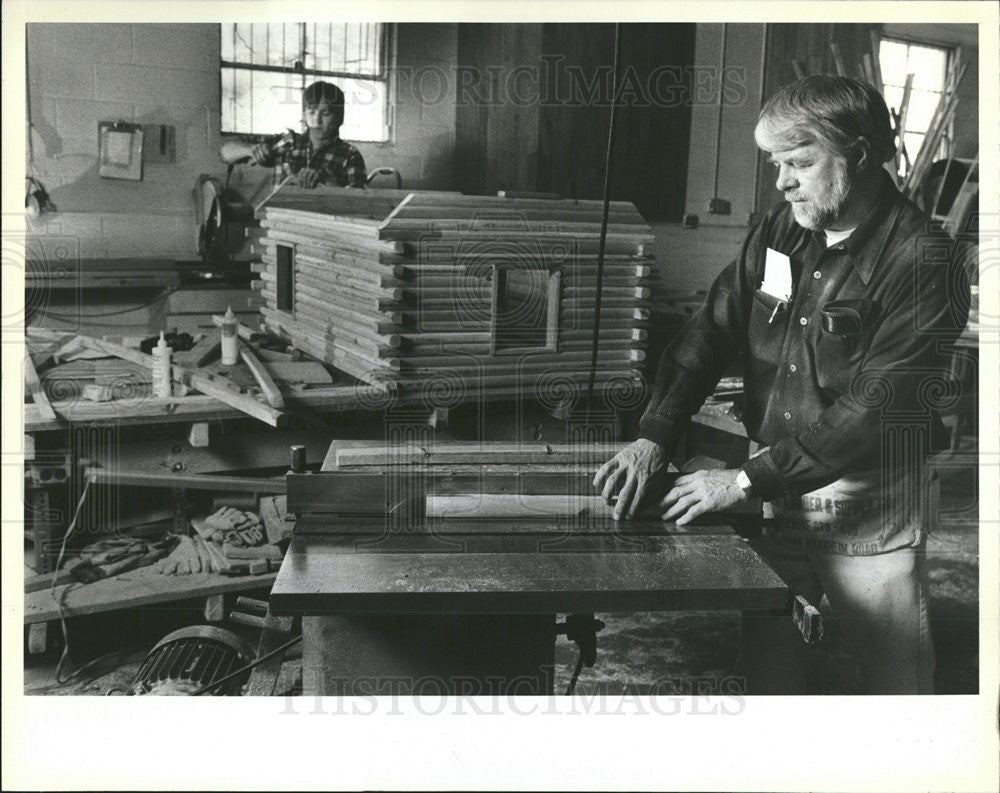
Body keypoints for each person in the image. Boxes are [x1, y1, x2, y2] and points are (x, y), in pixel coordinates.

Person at [594, 75, 969, 694]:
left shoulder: (925, 262)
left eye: (800, 161)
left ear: (862, 150)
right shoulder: (784, 227)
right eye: (776, 163)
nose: (782, 181)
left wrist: (738, 482)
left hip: (863, 495)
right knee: (774, 644)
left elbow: (871, 411)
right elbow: (711, 328)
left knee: (893, 667)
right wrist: (656, 434)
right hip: (775, 479)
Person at [219, 80, 367, 188]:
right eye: (312, 111)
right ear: (304, 114)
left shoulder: (350, 155)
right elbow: (225, 153)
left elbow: (360, 203)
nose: (317, 120)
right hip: (281, 225)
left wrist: (327, 182)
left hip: (326, 229)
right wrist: (252, 150)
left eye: (326, 113)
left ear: (339, 117)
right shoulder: (286, 143)